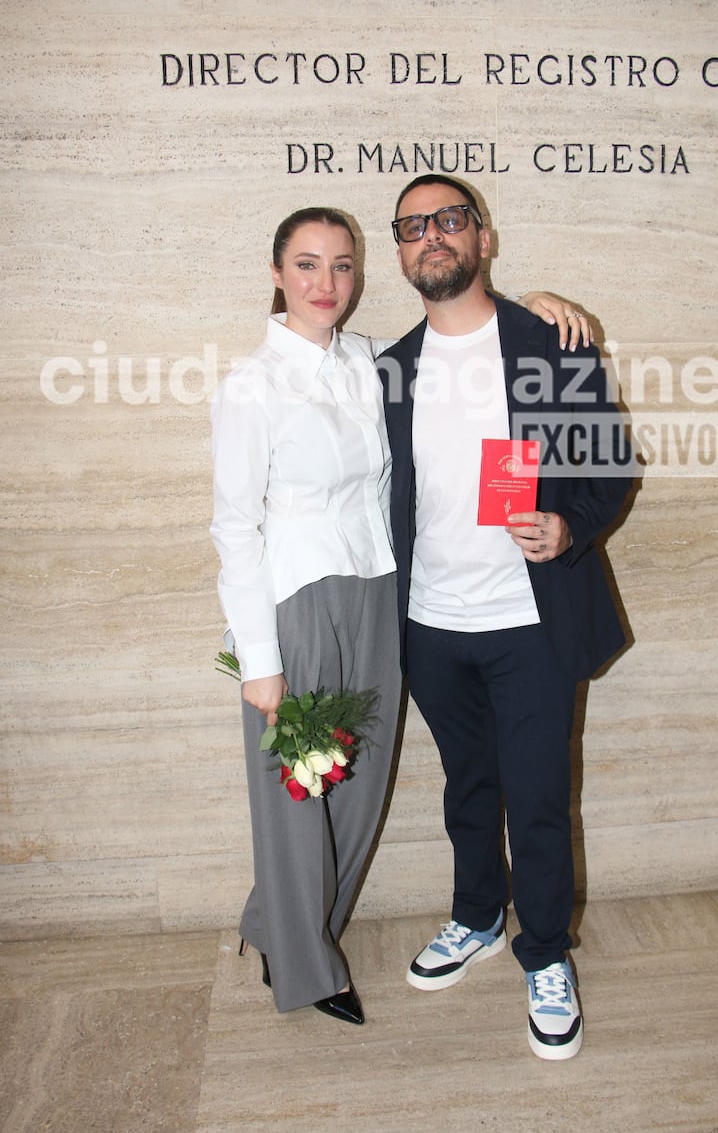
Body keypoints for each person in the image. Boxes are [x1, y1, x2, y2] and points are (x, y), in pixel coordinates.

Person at [210, 205, 598, 1025]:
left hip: (393, 603)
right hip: (317, 606)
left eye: (341, 265)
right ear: (276, 273)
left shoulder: (371, 363)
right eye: (307, 264)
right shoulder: (259, 383)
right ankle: (313, 955)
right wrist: (257, 656)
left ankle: (534, 948)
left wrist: (542, 303)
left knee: (362, 789)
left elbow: (589, 444)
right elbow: (233, 525)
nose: (326, 282)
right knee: (300, 785)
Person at [378, 175, 633, 1058]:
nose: (431, 237)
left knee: (536, 799)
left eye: (449, 220)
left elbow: (611, 471)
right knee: (467, 790)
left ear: (483, 238)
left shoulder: (547, 343)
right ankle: (477, 916)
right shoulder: (388, 369)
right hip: (428, 624)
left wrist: (568, 525)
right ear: (401, 253)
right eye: (412, 227)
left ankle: (544, 950)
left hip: (528, 622)